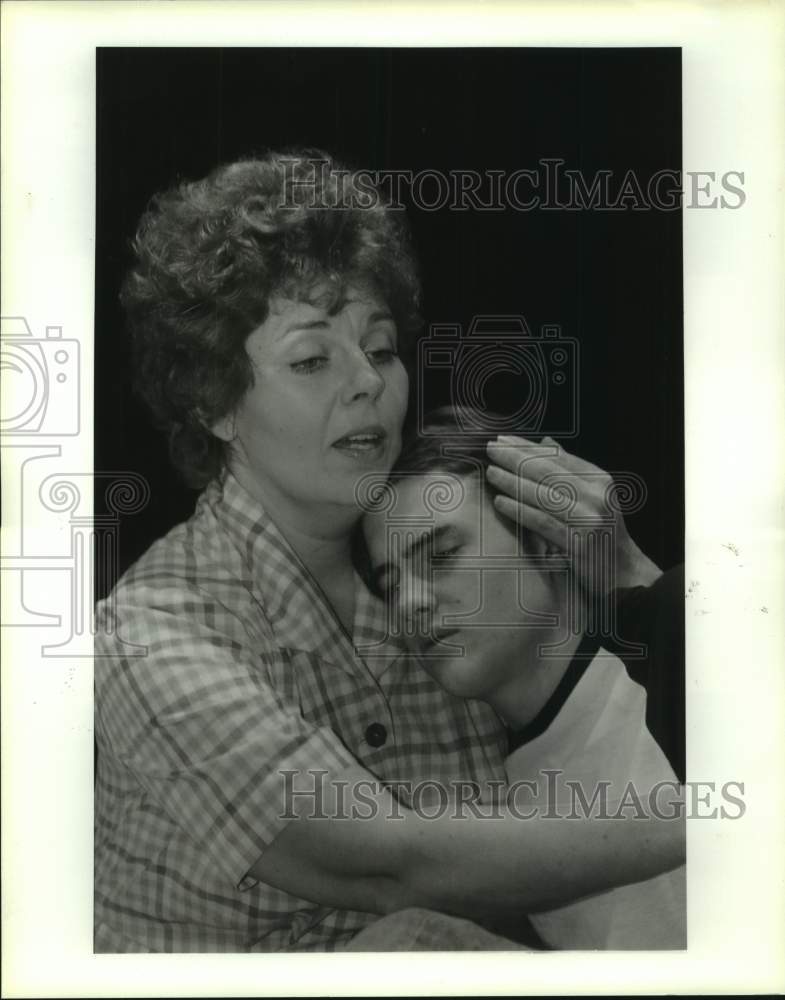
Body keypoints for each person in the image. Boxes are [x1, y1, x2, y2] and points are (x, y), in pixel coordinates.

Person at [94, 150, 684, 953]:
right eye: (310, 360)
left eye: (378, 348)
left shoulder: (450, 610)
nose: (367, 384)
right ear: (215, 403)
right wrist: (727, 819)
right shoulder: (154, 630)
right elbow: (385, 868)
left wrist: (640, 588)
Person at [360, 407, 686, 949]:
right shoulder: (495, 803)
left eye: (441, 555)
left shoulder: (684, 668)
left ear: (546, 538)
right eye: (390, 585)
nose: (410, 604)